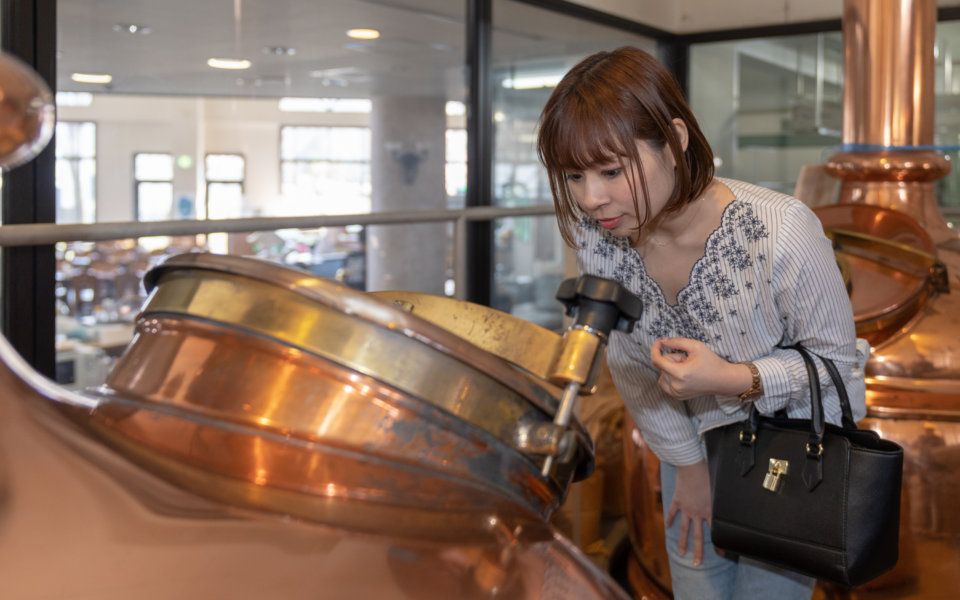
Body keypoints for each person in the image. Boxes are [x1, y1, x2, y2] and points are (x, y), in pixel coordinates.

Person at [536, 46, 868, 600]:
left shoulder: (781, 230)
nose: (591, 199)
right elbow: (631, 365)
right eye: (573, 175)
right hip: (686, 453)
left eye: (612, 170)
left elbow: (840, 369)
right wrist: (690, 469)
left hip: (790, 464)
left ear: (674, 140)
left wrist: (735, 379)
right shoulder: (602, 236)